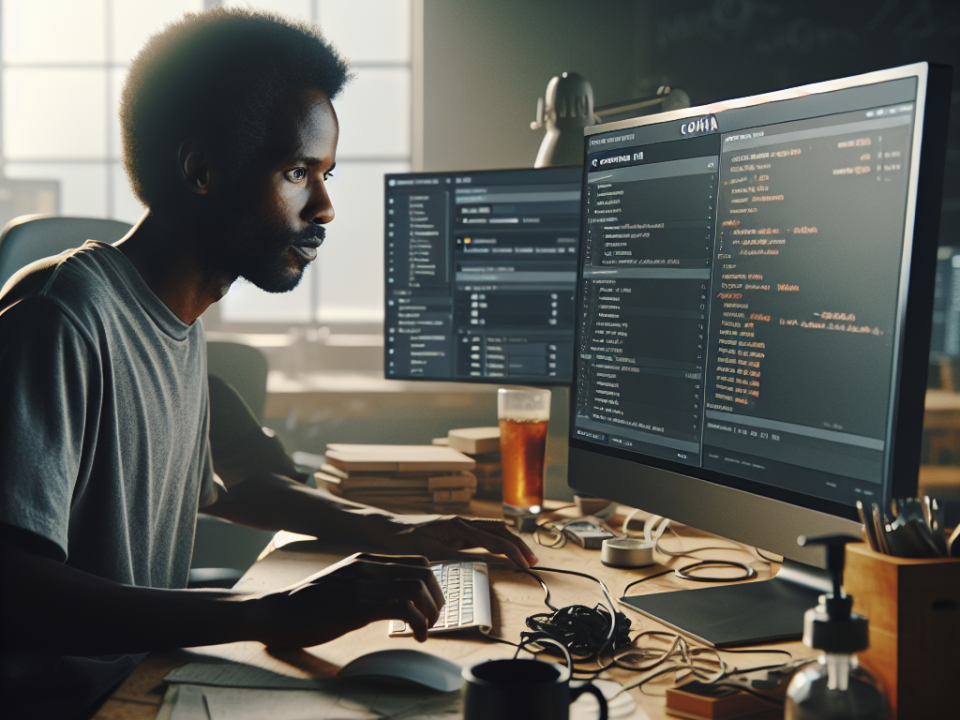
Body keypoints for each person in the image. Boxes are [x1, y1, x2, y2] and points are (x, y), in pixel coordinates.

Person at [0, 8, 536, 718]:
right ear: (201, 170)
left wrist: (387, 528)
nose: (325, 207)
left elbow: (227, 489)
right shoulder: (62, 317)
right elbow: (14, 589)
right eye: (296, 172)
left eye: (326, 174)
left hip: (141, 682)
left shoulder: (176, 324)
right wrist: (268, 612)